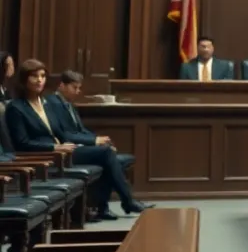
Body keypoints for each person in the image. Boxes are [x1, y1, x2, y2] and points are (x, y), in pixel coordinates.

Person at [4, 59, 151, 216]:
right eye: (34, 76)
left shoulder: (45, 102)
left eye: (42, 76)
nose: (40, 80)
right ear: (24, 79)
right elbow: (22, 143)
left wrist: (83, 144)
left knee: (105, 151)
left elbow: (61, 133)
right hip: (48, 156)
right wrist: (54, 147)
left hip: (64, 150)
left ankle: (106, 206)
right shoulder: (16, 107)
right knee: (106, 153)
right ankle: (126, 201)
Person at [45, 69, 136, 221]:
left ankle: (103, 208)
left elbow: (81, 130)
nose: (78, 91)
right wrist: (95, 142)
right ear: (62, 85)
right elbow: (65, 134)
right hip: (66, 150)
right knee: (107, 155)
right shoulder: (53, 103)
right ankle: (127, 201)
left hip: (78, 146)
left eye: (79, 88)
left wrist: (98, 139)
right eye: (75, 87)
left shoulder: (68, 104)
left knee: (110, 156)